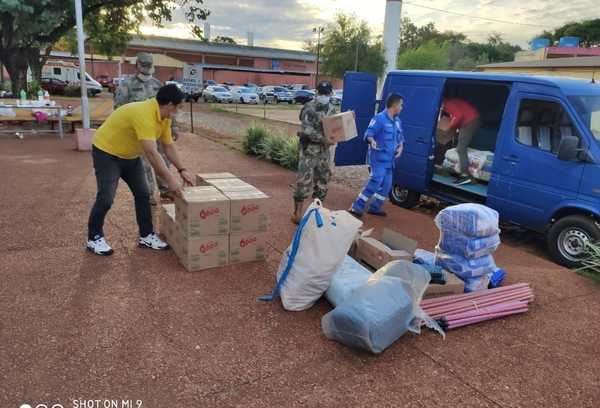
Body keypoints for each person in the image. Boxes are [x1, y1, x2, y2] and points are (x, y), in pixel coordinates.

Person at [86, 84, 195, 256]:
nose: (178, 112)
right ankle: (94, 237)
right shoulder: (144, 114)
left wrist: (182, 169)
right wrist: (171, 181)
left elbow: (168, 146)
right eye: (178, 107)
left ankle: (146, 235)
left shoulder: (164, 118)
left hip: (130, 156)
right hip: (107, 153)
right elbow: (152, 153)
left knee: (143, 194)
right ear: (169, 105)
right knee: (106, 197)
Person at [115, 52, 176, 203]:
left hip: (158, 130)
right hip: (139, 132)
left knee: (163, 160)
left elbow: (169, 106)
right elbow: (118, 109)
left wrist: (174, 126)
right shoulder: (126, 85)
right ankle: (147, 194)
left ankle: (166, 190)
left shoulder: (157, 84)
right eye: (144, 66)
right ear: (137, 66)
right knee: (144, 164)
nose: (147, 70)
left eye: (149, 66)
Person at [348, 93, 405, 218]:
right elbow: (368, 134)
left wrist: (401, 147)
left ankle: (375, 207)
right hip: (378, 159)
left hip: (390, 161)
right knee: (375, 181)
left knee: (386, 186)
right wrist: (371, 141)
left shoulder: (397, 121)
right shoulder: (379, 119)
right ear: (394, 105)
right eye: (401, 105)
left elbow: (400, 138)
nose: (402, 108)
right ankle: (356, 206)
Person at [292, 80, 337, 224]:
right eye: (321, 93)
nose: (323, 95)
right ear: (317, 92)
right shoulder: (309, 107)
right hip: (309, 151)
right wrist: (324, 139)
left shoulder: (331, 108)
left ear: (330, 93)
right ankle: (297, 213)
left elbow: (336, 126)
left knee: (323, 180)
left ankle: (316, 212)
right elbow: (307, 130)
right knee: (303, 181)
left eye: (326, 93)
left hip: (324, 152)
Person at [440, 97, 480, 186]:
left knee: (461, 149)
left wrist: (450, 126)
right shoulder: (451, 103)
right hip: (472, 119)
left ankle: (467, 176)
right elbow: (459, 115)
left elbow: (458, 115)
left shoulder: (448, 104)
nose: (441, 108)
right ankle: (464, 173)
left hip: (470, 121)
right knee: (460, 148)